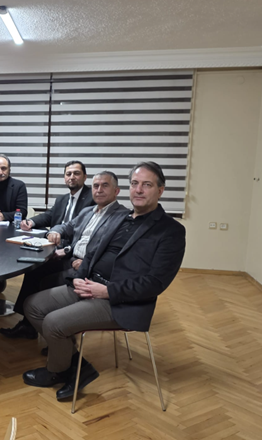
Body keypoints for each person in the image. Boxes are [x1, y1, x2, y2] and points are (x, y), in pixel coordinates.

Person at [22, 162, 186, 401]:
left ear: (160, 190)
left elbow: (155, 283)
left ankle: (57, 370)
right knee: (32, 306)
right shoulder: (120, 218)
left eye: (147, 185)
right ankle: (77, 366)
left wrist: (107, 291)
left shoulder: (170, 231)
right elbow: (92, 253)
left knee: (53, 323)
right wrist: (80, 278)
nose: (139, 190)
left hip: (121, 301)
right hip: (89, 284)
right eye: (135, 184)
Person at [0, 171, 127, 339]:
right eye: (96, 186)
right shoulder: (88, 211)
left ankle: (60, 332)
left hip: (87, 269)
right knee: (35, 269)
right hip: (72, 259)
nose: (99, 190)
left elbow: (112, 250)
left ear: (116, 191)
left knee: (46, 282)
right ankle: (29, 324)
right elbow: (66, 226)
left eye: (105, 185)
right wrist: (55, 232)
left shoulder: (122, 216)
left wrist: (86, 262)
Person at [21, 160, 95, 240]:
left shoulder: (93, 197)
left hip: (74, 242)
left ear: (85, 177)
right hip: (55, 240)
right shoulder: (61, 199)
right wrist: (30, 222)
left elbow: (81, 223)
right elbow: (49, 216)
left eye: (76, 173)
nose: (72, 177)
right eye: (68, 174)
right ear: (64, 178)